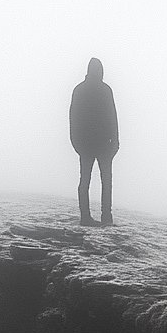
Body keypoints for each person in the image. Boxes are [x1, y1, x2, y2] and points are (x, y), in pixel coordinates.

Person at [70, 57, 118, 226]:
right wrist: (76, 142)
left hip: (101, 144)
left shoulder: (102, 90)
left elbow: (113, 116)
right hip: (92, 144)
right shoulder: (83, 90)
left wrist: (116, 142)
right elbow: (74, 118)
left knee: (100, 181)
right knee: (91, 181)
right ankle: (88, 217)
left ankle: (104, 217)